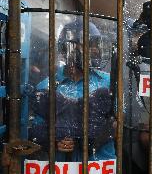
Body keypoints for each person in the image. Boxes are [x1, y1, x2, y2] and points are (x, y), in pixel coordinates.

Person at [28, 18, 116, 161]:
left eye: (96, 45)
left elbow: (120, 123)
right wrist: (55, 140)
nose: (95, 50)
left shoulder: (109, 83)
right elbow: (35, 130)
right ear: (68, 48)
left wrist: (93, 138)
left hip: (99, 166)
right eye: (89, 45)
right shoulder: (46, 87)